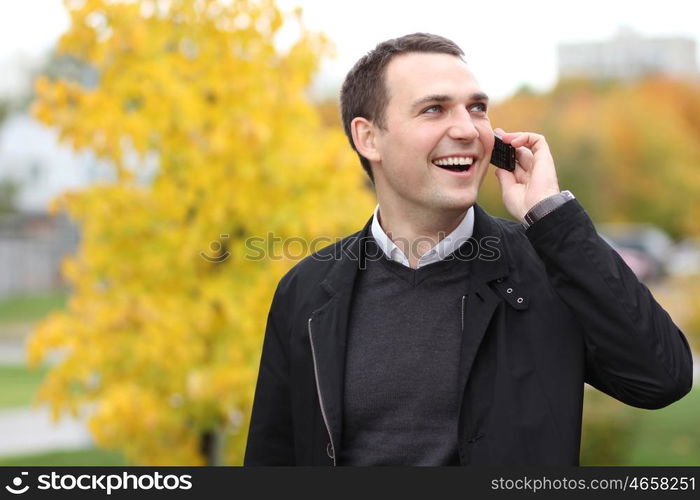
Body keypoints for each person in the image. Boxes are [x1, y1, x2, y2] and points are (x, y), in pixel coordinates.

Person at [243, 33, 693, 466]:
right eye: (434, 109)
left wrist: (553, 218)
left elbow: (662, 379)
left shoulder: (547, 267)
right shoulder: (304, 291)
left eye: (477, 108)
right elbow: (272, 460)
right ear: (369, 138)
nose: (467, 129)